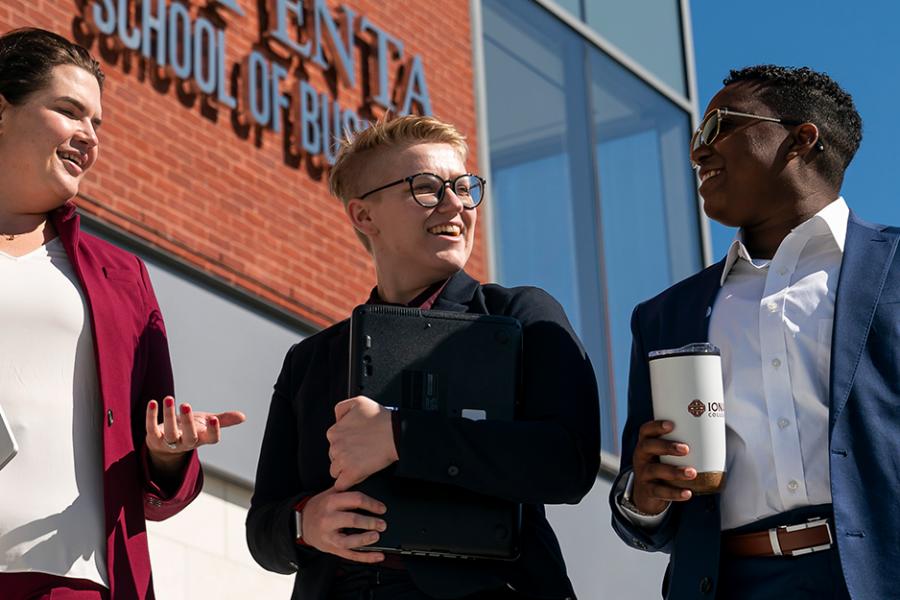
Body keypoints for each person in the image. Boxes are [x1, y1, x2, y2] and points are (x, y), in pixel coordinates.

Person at [247, 115, 600, 599]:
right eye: (427, 188)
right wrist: (305, 522)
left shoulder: (520, 316)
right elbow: (263, 529)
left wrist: (401, 437)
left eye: (463, 187)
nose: (455, 204)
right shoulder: (310, 359)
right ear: (363, 216)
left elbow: (569, 464)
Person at [609, 64, 900, 600]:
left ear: (801, 139)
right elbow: (644, 509)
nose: (698, 151)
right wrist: (643, 499)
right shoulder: (664, 316)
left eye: (718, 126)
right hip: (731, 583)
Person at [0, 28, 245, 600]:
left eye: (97, 123)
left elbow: (156, 473)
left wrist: (166, 453)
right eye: (69, 111)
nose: (88, 136)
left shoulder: (119, 277)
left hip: (70, 579)